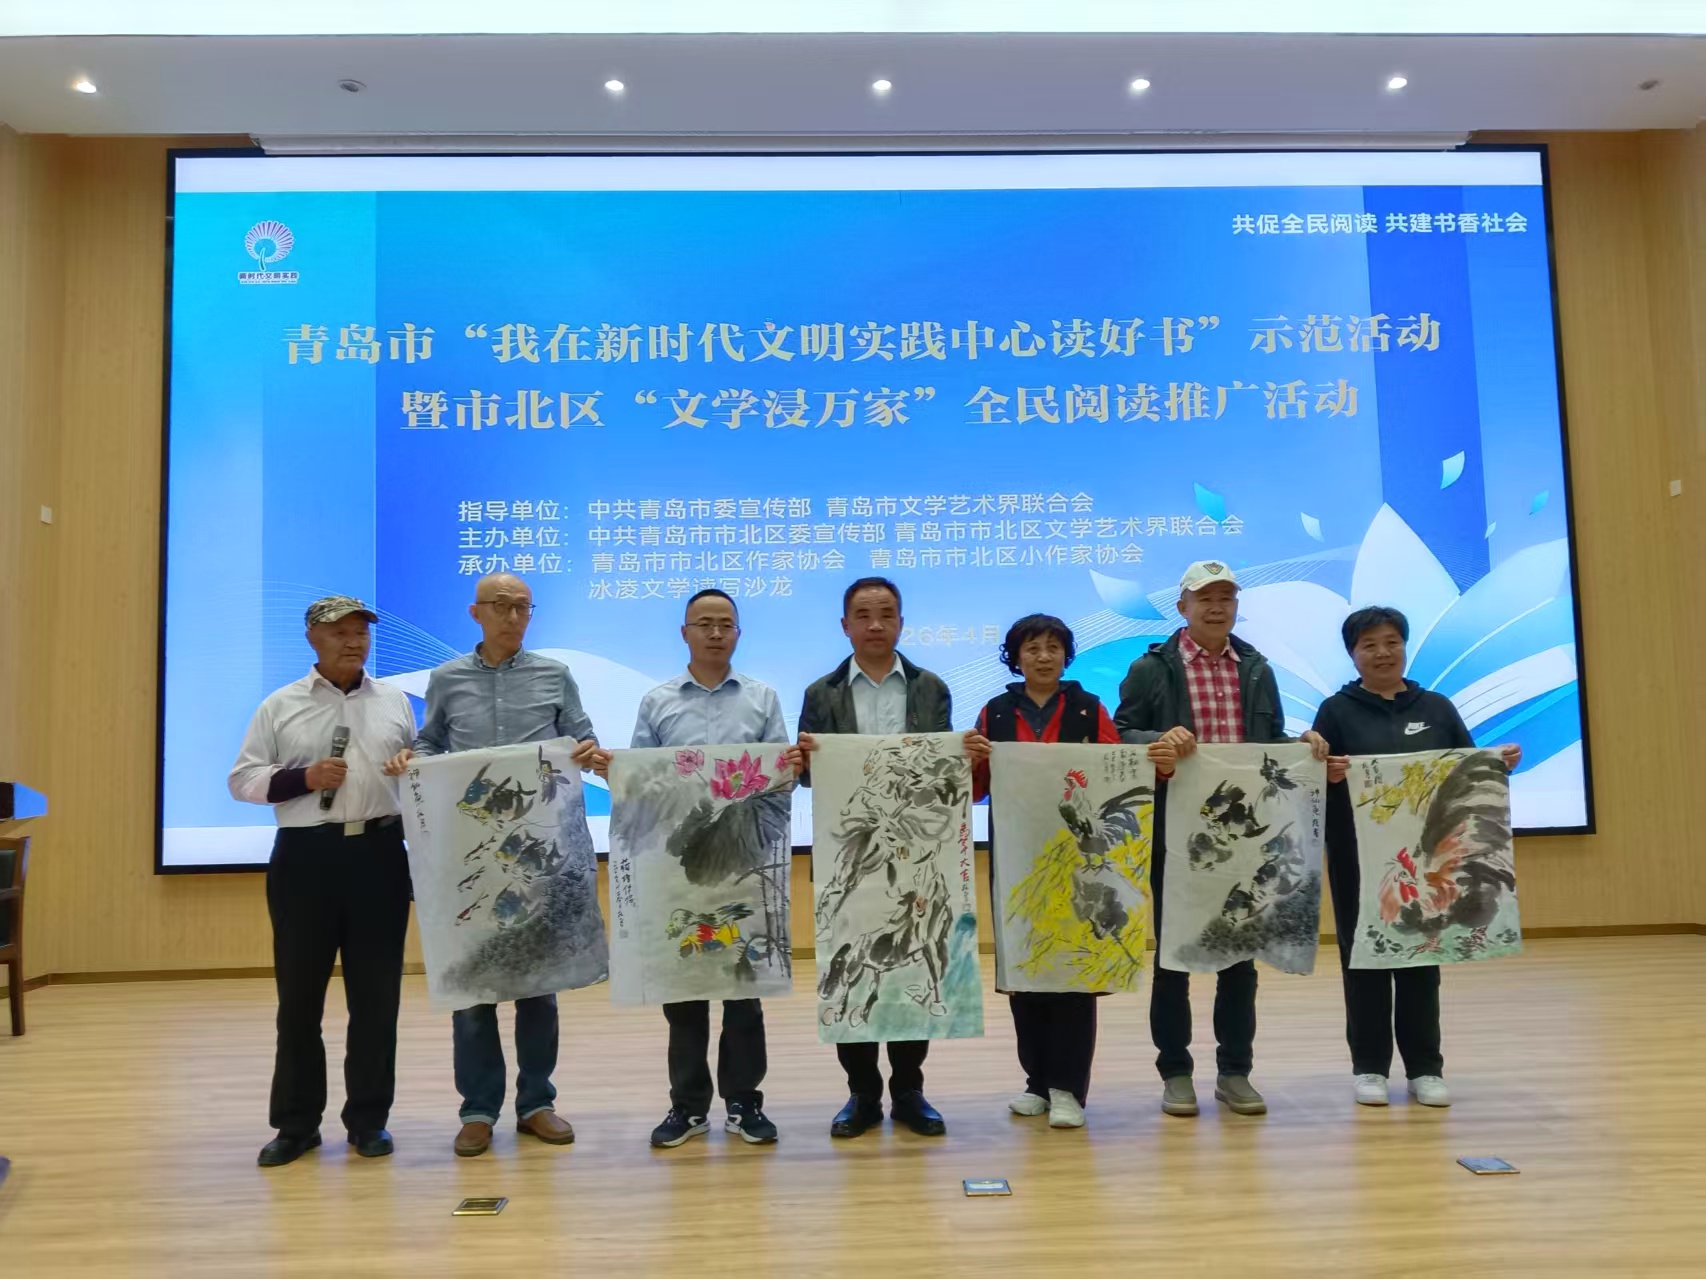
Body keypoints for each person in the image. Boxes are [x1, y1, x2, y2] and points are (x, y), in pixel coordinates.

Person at [380, 573, 599, 1158]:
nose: (513, 616)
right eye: (501, 606)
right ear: (476, 613)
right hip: (470, 852)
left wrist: (586, 751)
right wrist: (414, 760)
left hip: (537, 850)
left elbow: (583, 740)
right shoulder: (447, 678)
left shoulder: (555, 674)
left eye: (523, 607)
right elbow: (432, 744)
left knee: (538, 985)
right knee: (472, 984)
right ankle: (477, 1110)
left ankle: (537, 1103)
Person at [1114, 561, 1329, 1119]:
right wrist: (1158, 740)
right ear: (1182, 607)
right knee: (1175, 959)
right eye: (1204, 598)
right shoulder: (1150, 668)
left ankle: (1235, 1072)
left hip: (1246, 837)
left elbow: (1268, 741)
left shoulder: (1256, 668)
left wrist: (1302, 744)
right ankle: (1176, 1073)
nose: (1216, 607)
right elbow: (1121, 734)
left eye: (1226, 598)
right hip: (1177, 836)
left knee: (1240, 958)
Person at [796, 577, 990, 1139]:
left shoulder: (931, 688)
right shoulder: (821, 693)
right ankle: (861, 1094)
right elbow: (810, 778)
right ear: (845, 625)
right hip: (855, 851)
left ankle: (909, 1090)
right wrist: (803, 759)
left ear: (902, 623)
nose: (875, 624)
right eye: (863, 614)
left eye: (886, 614)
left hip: (916, 856)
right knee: (850, 956)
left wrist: (964, 753)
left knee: (911, 958)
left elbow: (939, 769)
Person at [229, 595, 417, 1168]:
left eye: (361, 631)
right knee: (299, 1000)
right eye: (340, 632)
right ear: (312, 637)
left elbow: (415, 779)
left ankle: (369, 1121)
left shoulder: (395, 702)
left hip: (381, 855)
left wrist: (412, 768)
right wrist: (302, 778)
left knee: (377, 1000)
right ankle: (296, 1126)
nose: (354, 641)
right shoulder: (280, 705)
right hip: (306, 859)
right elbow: (242, 780)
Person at [1313, 606, 1522, 1109]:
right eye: (1369, 645)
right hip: (1360, 860)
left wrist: (1499, 764)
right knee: (1364, 961)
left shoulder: (1438, 708)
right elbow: (1312, 781)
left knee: (1423, 958)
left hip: (1430, 865)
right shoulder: (1335, 711)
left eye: (1391, 642)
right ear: (1353, 654)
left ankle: (1425, 1068)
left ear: (1404, 647)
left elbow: (1467, 771)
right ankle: (1369, 1069)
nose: (1382, 653)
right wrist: (1328, 772)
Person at [612, 588, 793, 1149]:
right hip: (678, 866)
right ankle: (687, 1107)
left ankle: (744, 1102)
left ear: (738, 633)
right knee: (684, 990)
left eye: (725, 624)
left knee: (744, 991)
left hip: (744, 863)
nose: (715, 633)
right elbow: (642, 782)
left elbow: (779, 783)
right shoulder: (658, 702)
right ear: (685, 632)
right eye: (704, 623)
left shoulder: (762, 699)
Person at [972, 614, 1122, 1131]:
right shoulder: (994, 712)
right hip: (1014, 858)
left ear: (1066, 656)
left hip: (1075, 858)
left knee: (1072, 973)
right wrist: (973, 759)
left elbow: (1115, 771)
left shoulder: (1088, 708)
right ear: (1016, 657)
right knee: (1025, 973)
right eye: (1032, 647)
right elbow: (976, 789)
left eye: (1053, 647)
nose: (1043, 656)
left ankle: (1069, 1088)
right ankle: (1037, 1081)